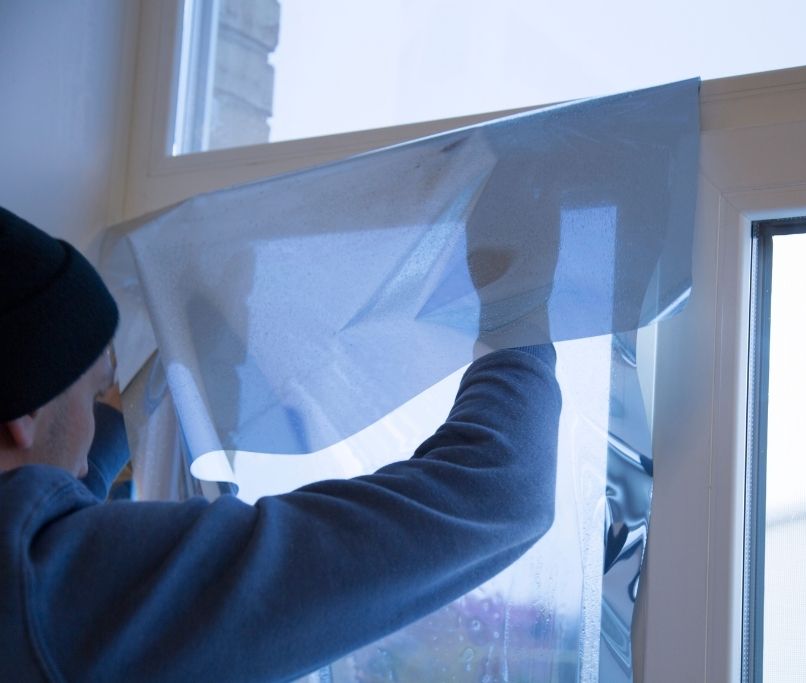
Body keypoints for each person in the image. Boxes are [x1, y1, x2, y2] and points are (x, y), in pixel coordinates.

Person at [0, 205, 561, 682]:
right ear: (22, 415)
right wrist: (516, 304)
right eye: (92, 391)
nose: (89, 444)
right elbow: (499, 492)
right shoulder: (45, 593)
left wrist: (171, 375)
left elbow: (64, 484)